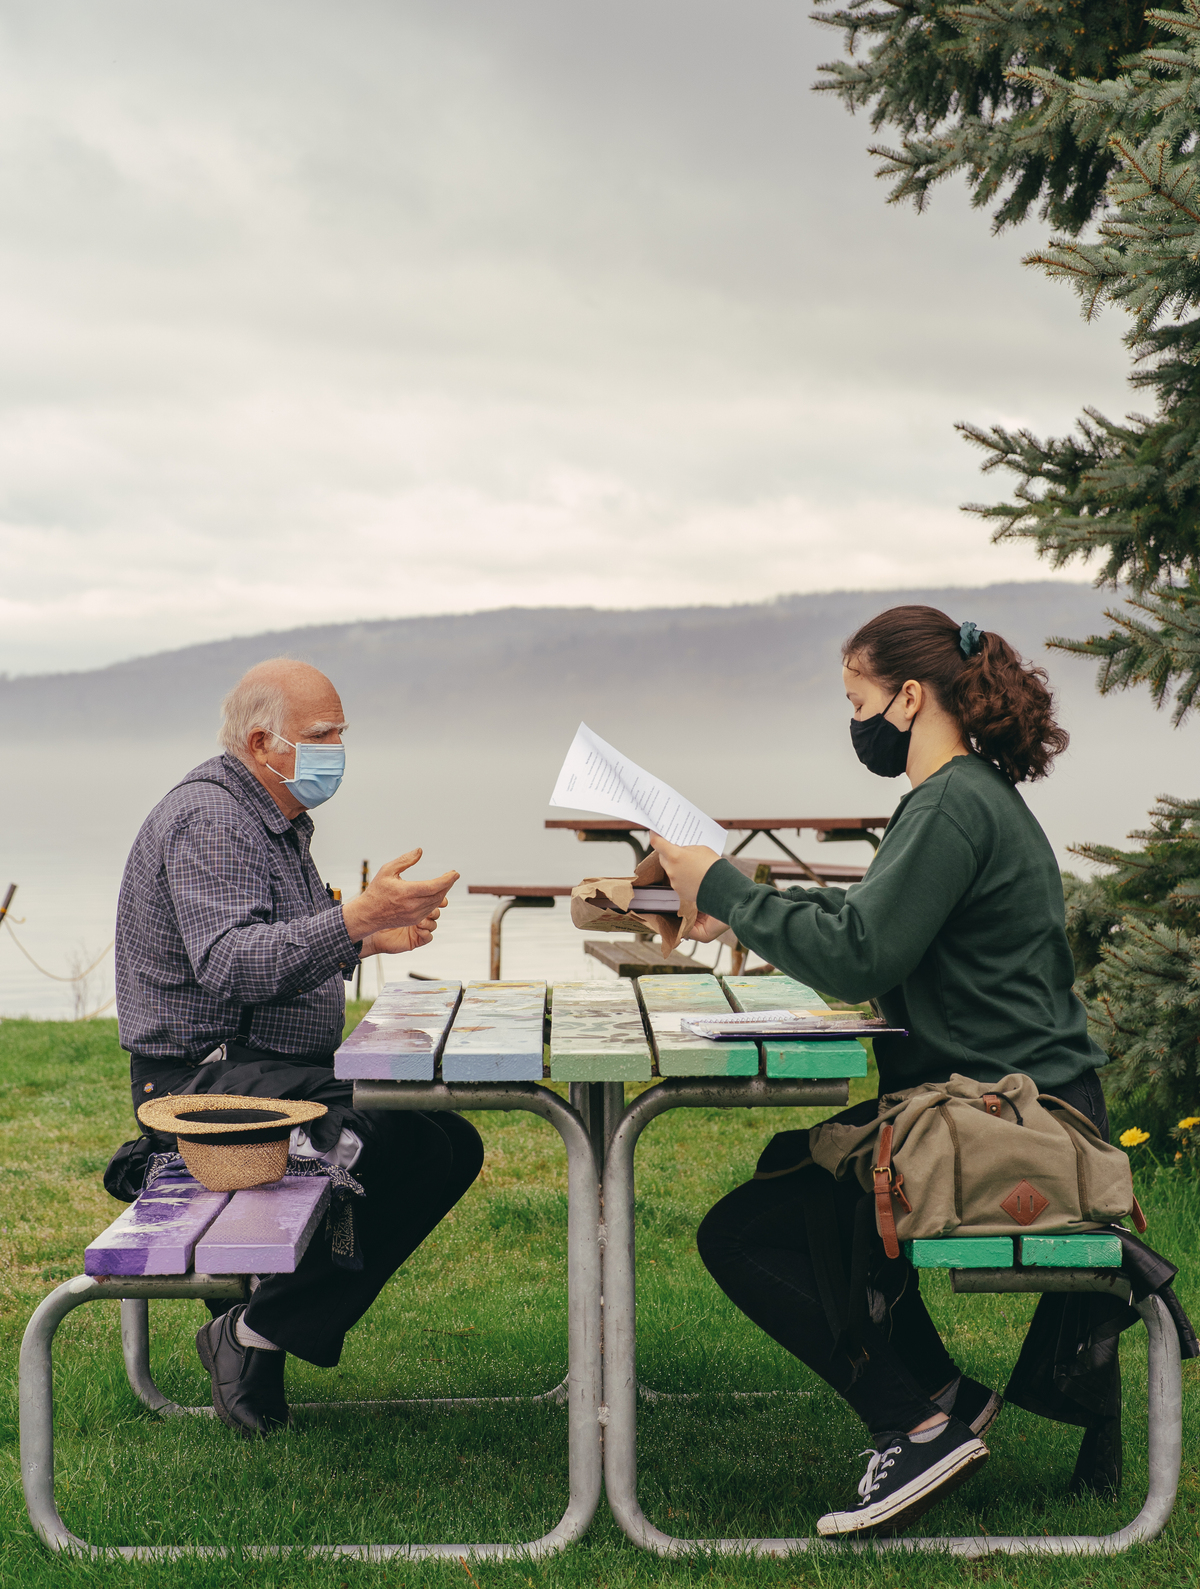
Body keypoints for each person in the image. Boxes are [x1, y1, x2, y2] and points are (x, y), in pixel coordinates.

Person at [649, 605, 1116, 1538]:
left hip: (1015, 1120)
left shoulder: (950, 802)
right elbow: (874, 925)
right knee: (800, 1176)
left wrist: (724, 884)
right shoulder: (969, 796)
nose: (855, 719)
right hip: (1022, 1101)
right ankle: (941, 1396)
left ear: (908, 696)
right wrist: (735, 909)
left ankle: (913, 1421)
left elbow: (862, 952)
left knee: (746, 1232)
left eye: (857, 698)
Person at [114, 657, 483, 1437]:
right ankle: (256, 1333)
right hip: (199, 1080)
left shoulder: (268, 818)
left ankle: (258, 1326)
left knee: (446, 1136)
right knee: (397, 1138)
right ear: (261, 742)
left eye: (342, 732)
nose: (337, 748)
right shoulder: (212, 820)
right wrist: (350, 920)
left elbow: (279, 943)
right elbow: (230, 962)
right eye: (322, 735)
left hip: (264, 1068)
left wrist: (367, 939)